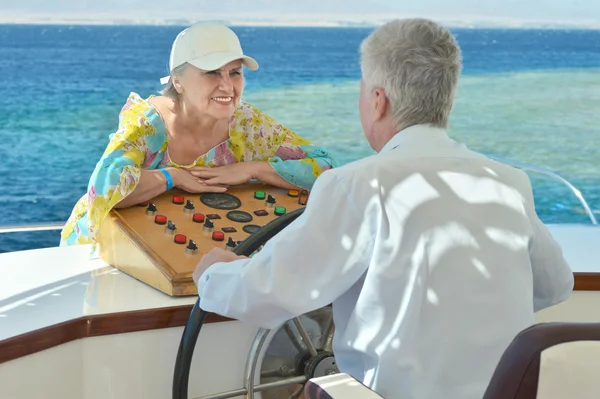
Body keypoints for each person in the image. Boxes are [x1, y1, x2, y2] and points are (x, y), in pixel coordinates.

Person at [191, 18, 574, 399]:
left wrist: (216, 274)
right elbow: (556, 285)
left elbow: (271, 292)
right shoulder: (509, 182)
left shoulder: (356, 185)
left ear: (378, 101)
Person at [60, 22, 337, 247]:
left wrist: (253, 169)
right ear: (177, 81)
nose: (227, 86)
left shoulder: (247, 124)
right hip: (101, 248)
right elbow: (104, 189)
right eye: (212, 73)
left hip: (183, 253)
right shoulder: (147, 122)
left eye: (235, 72)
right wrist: (172, 177)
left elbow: (326, 167)